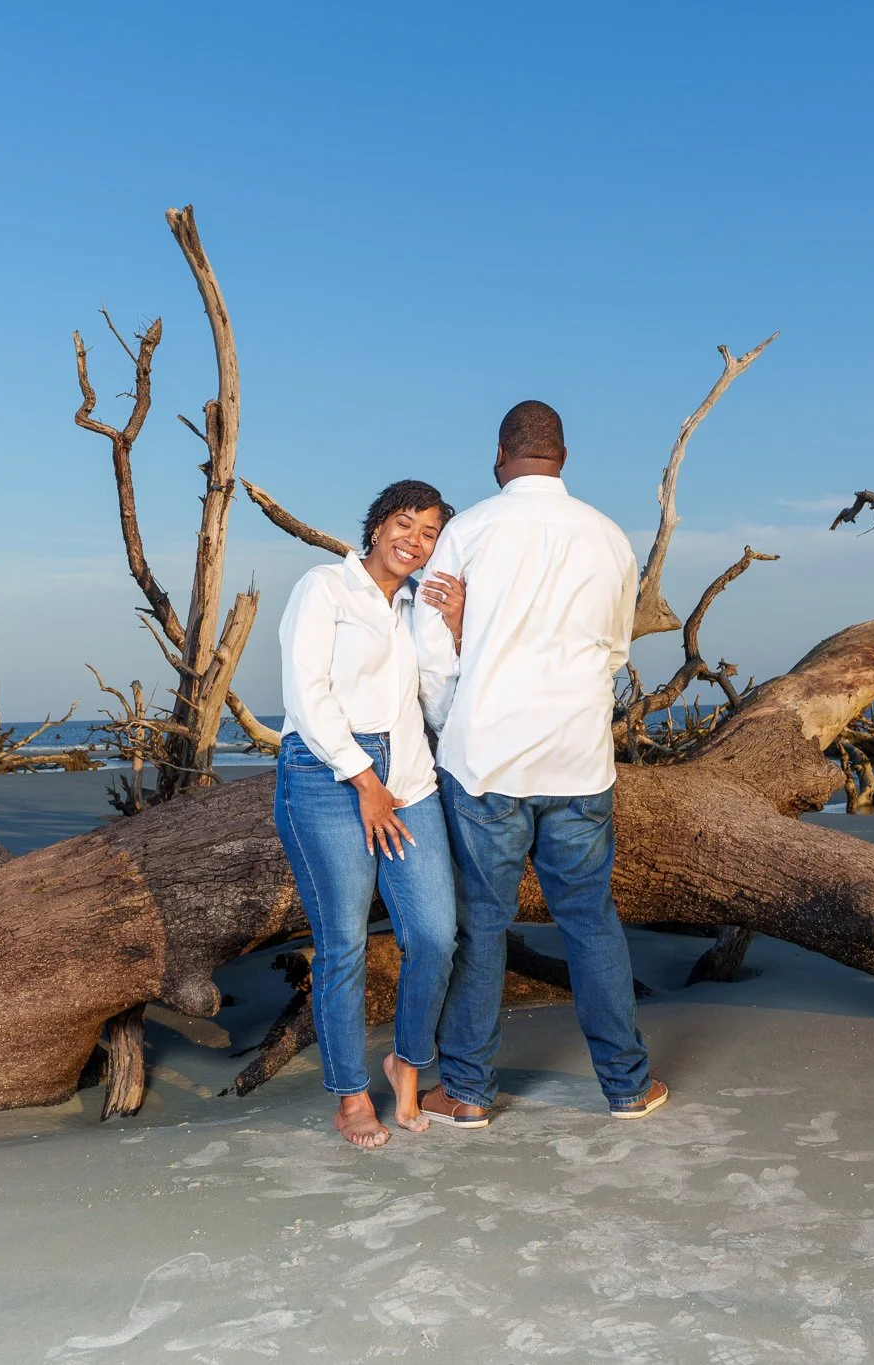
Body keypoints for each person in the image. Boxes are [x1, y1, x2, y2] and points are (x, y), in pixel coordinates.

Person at [411, 400, 667, 1129]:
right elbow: (617, 651)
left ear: (502, 454)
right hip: (578, 761)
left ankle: (466, 1089)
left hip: (488, 757)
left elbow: (433, 654)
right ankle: (627, 1085)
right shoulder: (610, 538)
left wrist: (447, 727)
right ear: (563, 456)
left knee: (482, 925)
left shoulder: (468, 531)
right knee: (588, 919)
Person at [273, 479, 468, 1149]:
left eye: (429, 533)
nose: (414, 541)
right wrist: (363, 778)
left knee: (436, 934)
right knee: (344, 942)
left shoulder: (418, 606)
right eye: (405, 524)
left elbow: (440, 695)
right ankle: (351, 1095)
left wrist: (457, 626)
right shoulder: (324, 587)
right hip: (328, 773)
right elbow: (305, 691)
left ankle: (406, 1064)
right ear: (378, 523)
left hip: (410, 777)